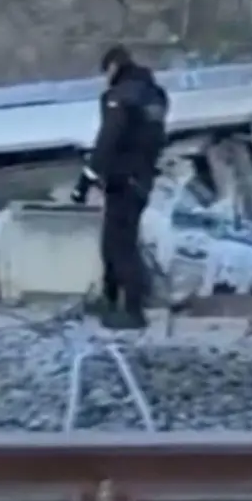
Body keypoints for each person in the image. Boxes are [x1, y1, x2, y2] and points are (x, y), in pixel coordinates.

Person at [72, 45, 170, 330]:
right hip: (141, 179)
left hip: (123, 179)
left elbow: (108, 139)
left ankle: (133, 311)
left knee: (121, 246)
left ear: (113, 67)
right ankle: (110, 298)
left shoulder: (120, 97)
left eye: (106, 72)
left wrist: (85, 181)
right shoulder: (155, 95)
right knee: (113, 241)